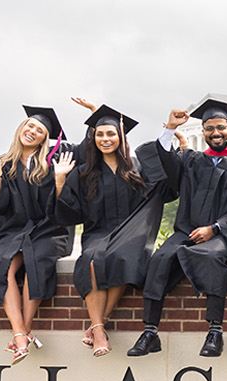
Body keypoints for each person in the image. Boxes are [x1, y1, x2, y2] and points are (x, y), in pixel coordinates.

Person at [127, 98, 227, 358]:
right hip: (187, 229)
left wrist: (215, 229)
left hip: (223, 233)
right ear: (203, 131)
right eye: (209, 128)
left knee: (210, 256)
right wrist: (169, 129)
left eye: (220, 127)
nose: (215, 133)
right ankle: (150, 332)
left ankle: (215, 332)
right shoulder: (191, 160)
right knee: (160, 259)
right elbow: (166, 163)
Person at [54, 102, 163, 357]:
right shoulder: (84, 172)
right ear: (93, 138)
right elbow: (70, 211)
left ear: (120, 136)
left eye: (111, 133)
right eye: (100, 134)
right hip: (98, 233)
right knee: (92, 258)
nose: (105, 139)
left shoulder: (137, 169)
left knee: (125, 256)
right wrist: (60, 181)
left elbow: (163, 190)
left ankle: (96, 325)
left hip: (132, 233)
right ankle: (99, 330)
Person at [0, 105, 74, 363]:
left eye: (40, 130)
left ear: (45, 138)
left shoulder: (51, 163)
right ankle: (21, 333)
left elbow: (61, 207)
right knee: (2, 265)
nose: (32, 131)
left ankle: (22, 332)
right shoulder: (6, 162)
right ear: (21, 129)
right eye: (30, 126)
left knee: (37, 260)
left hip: (49, 230)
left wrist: (59, 180)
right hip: (15, 229)